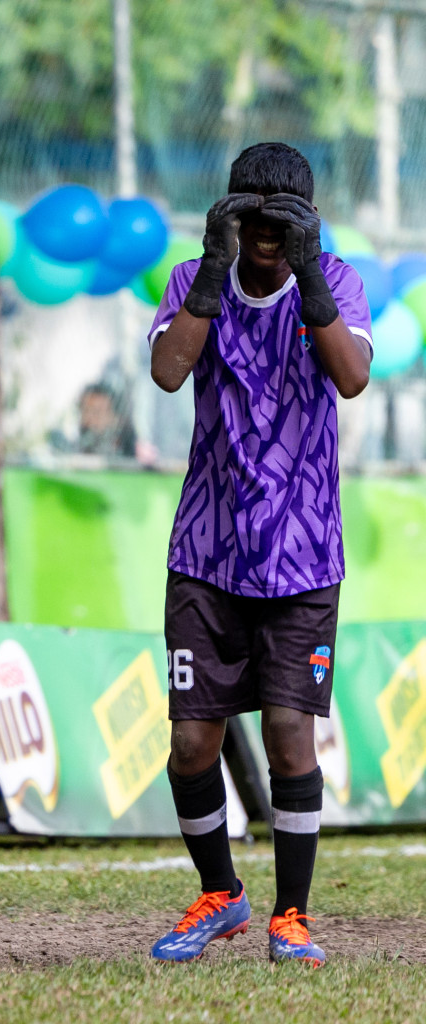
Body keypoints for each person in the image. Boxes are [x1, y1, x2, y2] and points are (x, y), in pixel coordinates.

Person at [145, 142, 371, 967]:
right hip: (207, 553)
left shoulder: (337, 281)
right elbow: (171, 371)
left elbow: (350, 378)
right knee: (192, 744)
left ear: (307, 221)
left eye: (284, 218)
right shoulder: (191, 279)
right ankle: (220, 895)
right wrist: (212, 266)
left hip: (305, 557)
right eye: (253, 214)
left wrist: (310, 272)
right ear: (230, 212)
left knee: (289, 736)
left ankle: (292, 916)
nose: (267, 233)